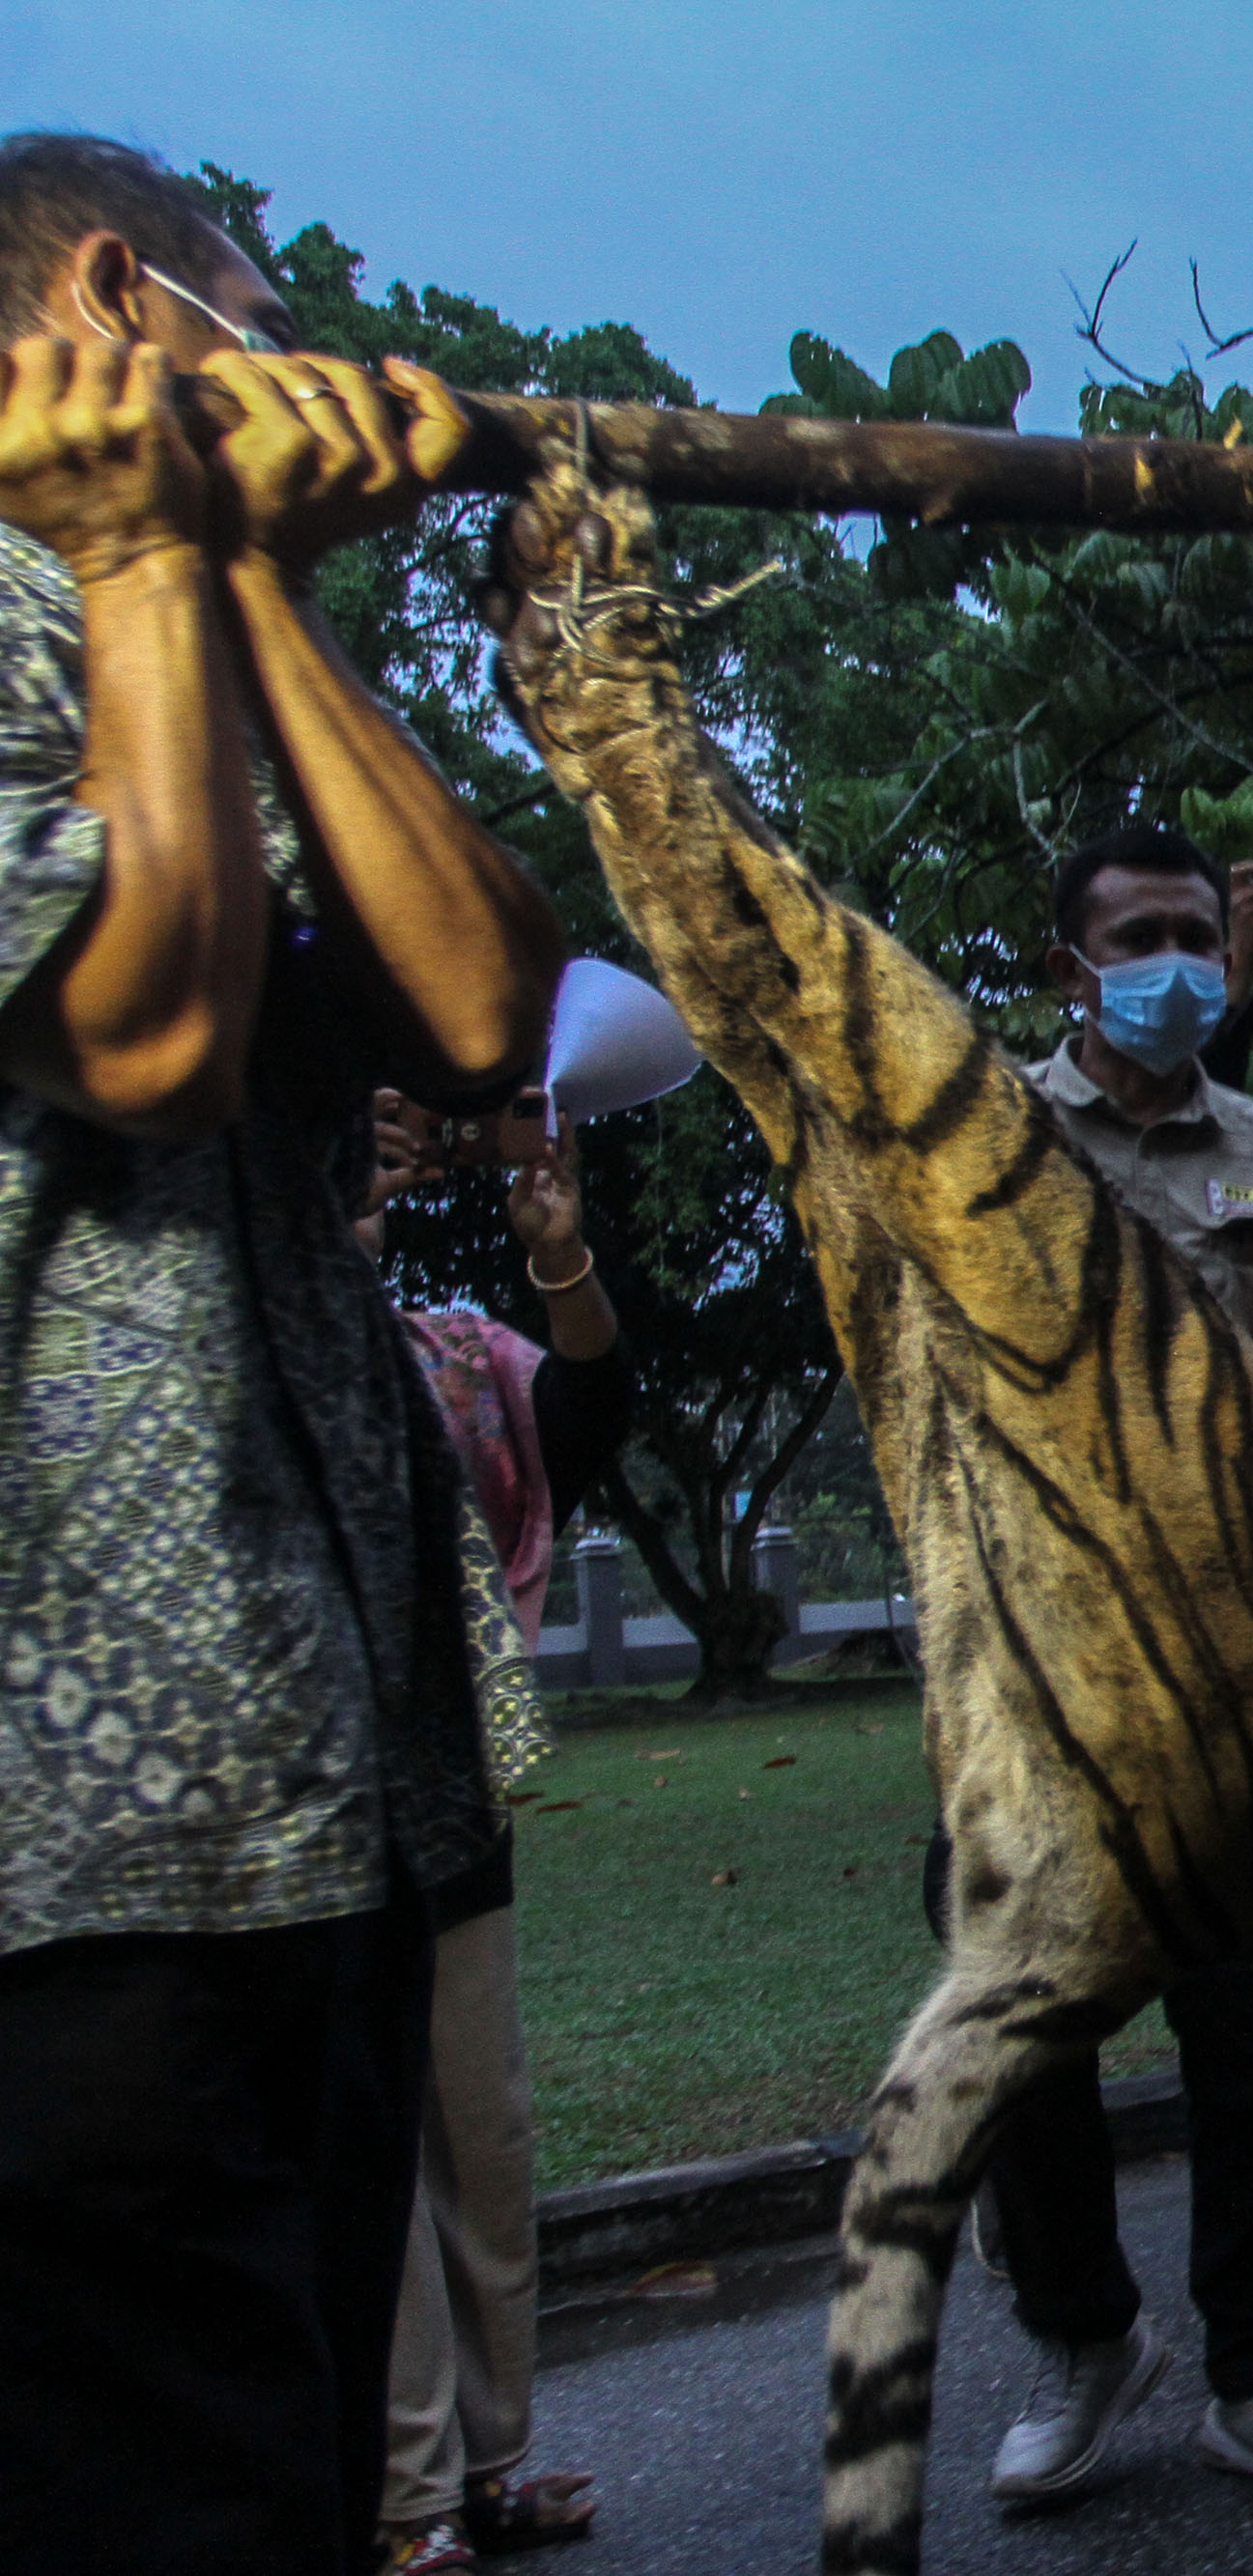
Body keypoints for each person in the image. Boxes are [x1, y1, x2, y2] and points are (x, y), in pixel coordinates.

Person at [0, 135, 567, 2576]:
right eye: (261, 316)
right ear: (119, 301)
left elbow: (478, 1007)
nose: (302, 362)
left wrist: (241, 581)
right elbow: (138, 1032)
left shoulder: (188, 629)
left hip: (309, 1788)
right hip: (62, 1853)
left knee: (302, 2478)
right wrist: (151, 558)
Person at [955, 819, 1253, 2515]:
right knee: (1028, 2038)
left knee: (1249, 2039)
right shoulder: (987, 1132)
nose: (1174, 965)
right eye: (1136, 936)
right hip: (1044, 1665)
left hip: (1237, 1657)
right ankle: (1085, 2343)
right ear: (1067, 966)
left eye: (1195, 937)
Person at [359, 1093, 631, 2575]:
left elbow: (585, 1416)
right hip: (306, 1826)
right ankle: (407, 2497)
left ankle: (492, 2463)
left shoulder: (449, 1356)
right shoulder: (244, 1347)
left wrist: (560, 1253)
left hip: (450, 1799)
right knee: (376, 2162)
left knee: (485, 2135)